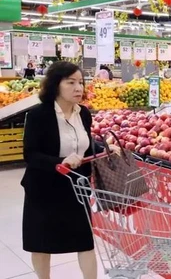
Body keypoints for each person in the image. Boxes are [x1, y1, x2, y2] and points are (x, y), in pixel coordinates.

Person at [22, 61, 119, 279]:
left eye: (81, 82)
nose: (78, 88)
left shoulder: (83, 113)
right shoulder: (39, 116)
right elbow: (31, 155)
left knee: (84, 240)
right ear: (56, 85)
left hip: (76, 188)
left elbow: (84, 143)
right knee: (41, 242)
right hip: (43, 189)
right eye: (71, 82)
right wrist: (60, 161)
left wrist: (104, 147)